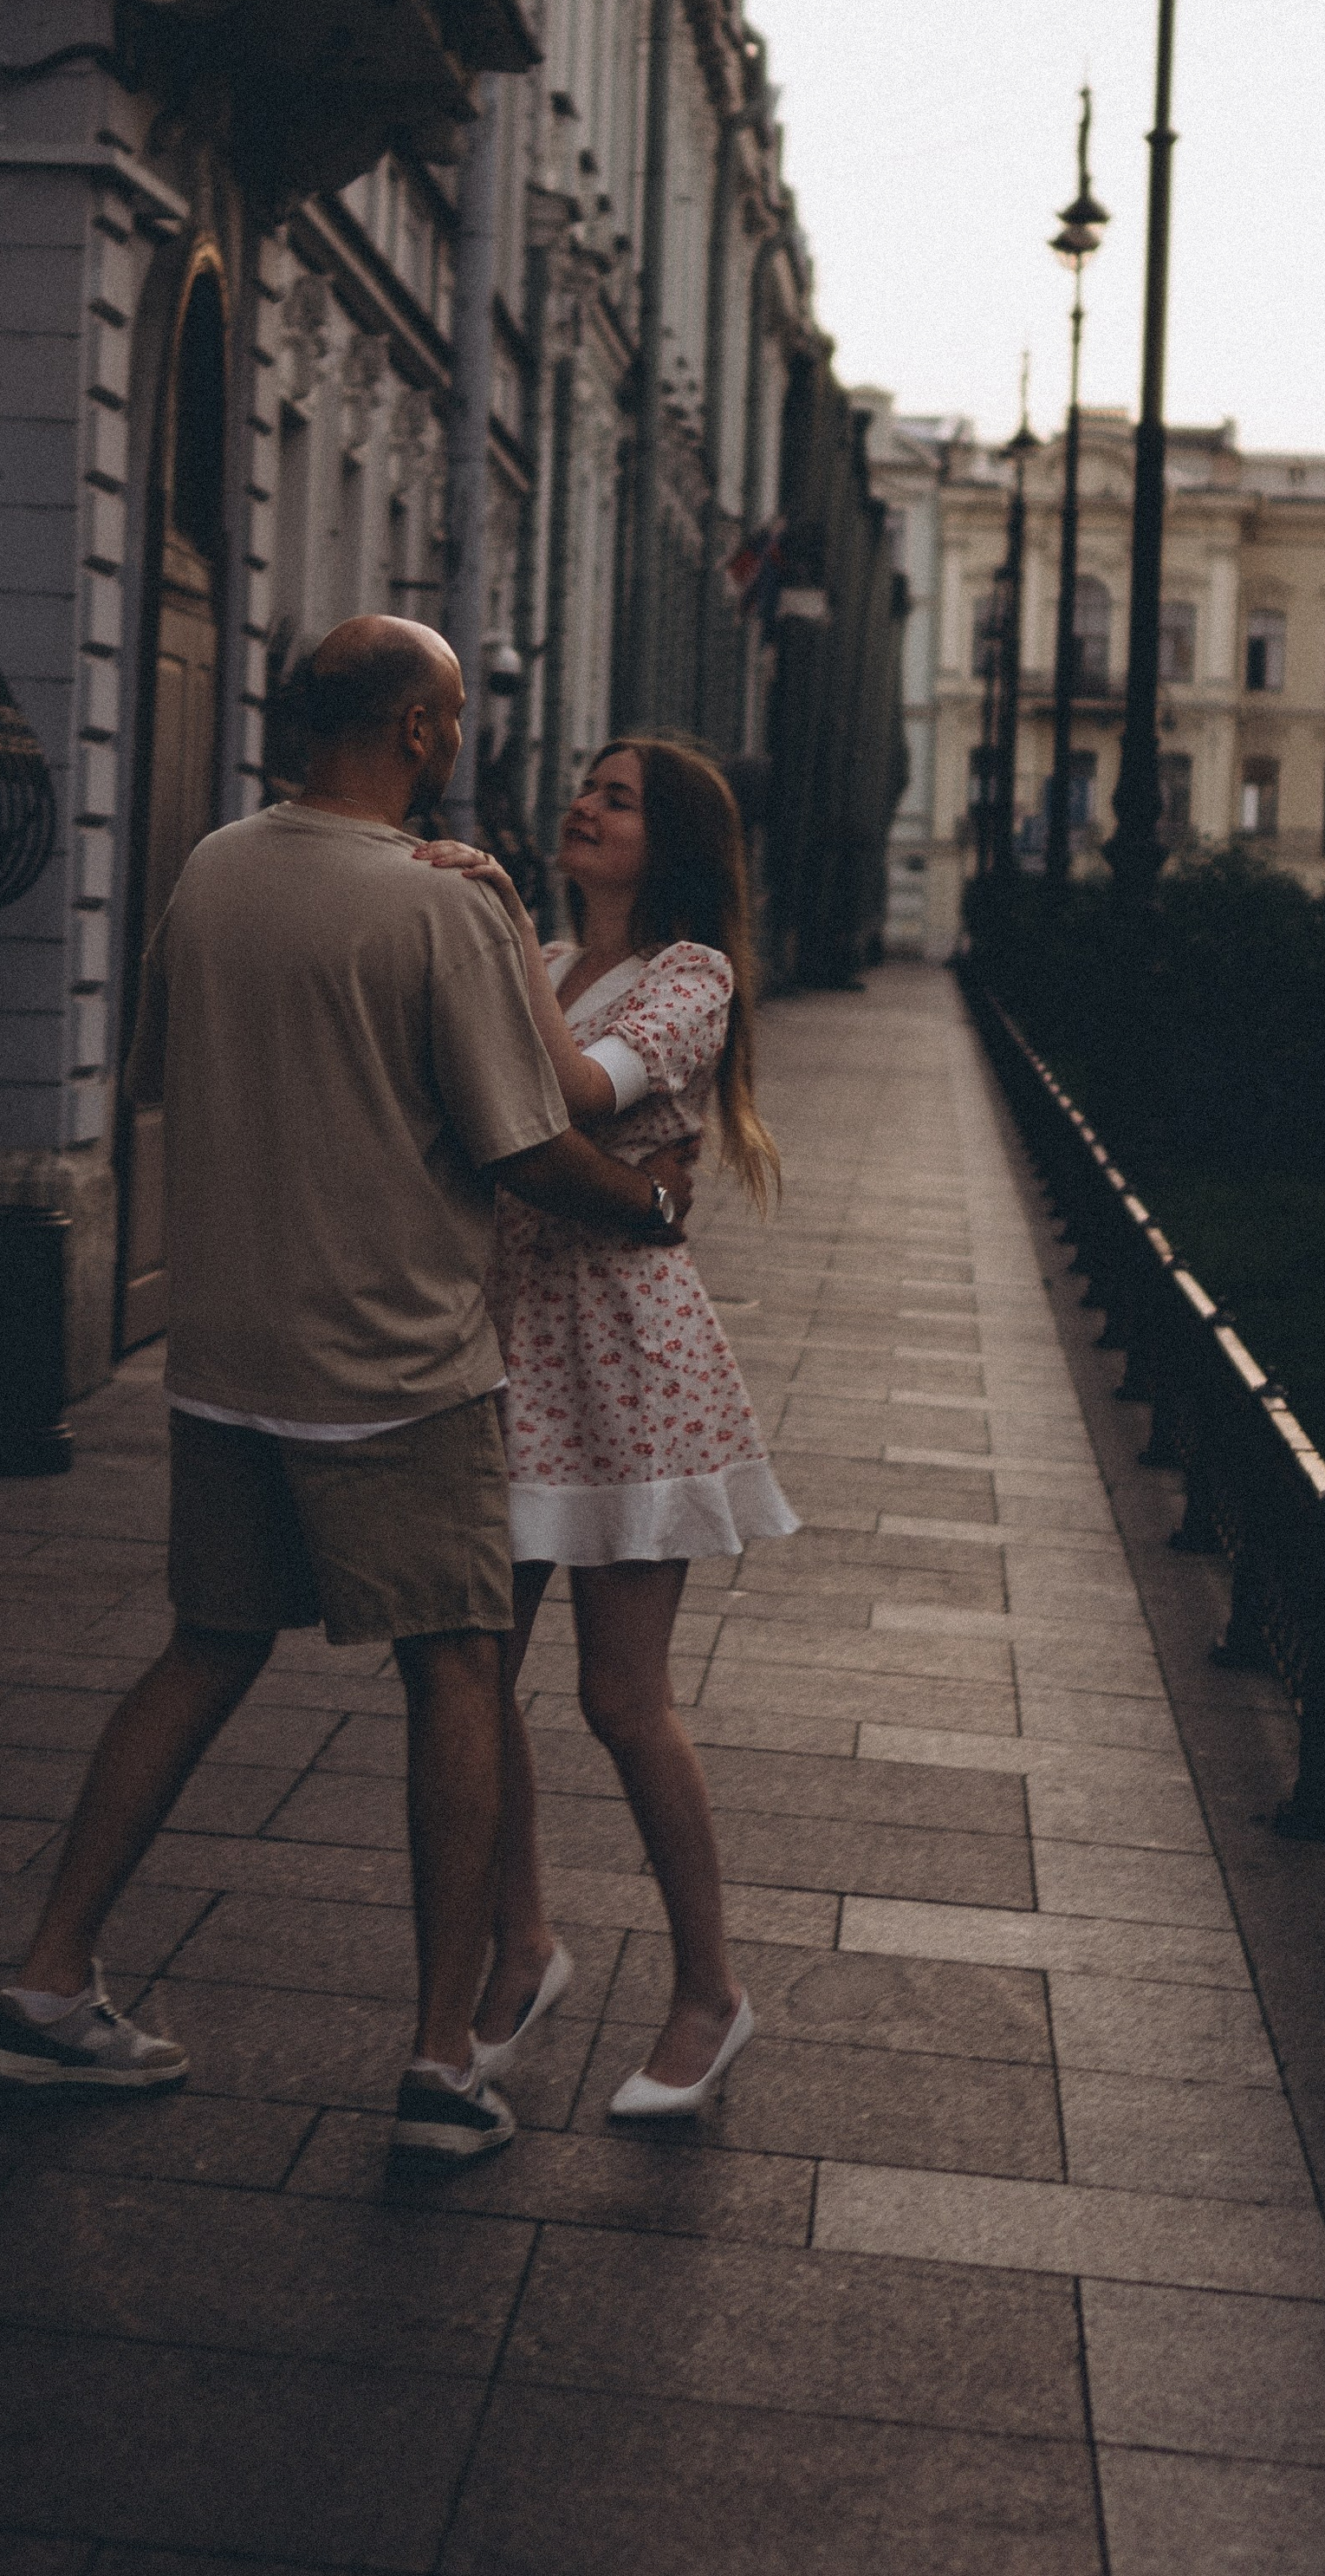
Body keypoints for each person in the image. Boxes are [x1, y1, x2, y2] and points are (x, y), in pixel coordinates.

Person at [0, 620, 700, 2170]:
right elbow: (527, 1149)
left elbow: (169, 1068)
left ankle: (47, 1983)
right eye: (454, 722)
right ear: (426, 734)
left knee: (203, 1649)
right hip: (396, 1363)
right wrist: (650, 1210)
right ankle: (444, 2060)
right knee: (457, 1671)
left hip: (227, 1356)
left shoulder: (213, 870)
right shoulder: (426, 908)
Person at [424, 738, 795, 2118]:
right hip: (508, 1336)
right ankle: (523, 1940)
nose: (583, 804)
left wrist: (503, 927)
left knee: (620, 1701)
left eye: (617, 798)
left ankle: (710, 1992)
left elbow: (578, 1099)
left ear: (675, 843)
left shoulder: (689, 975)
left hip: (630, 1360)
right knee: (473, 1674)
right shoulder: (567, 968)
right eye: (584, 784)